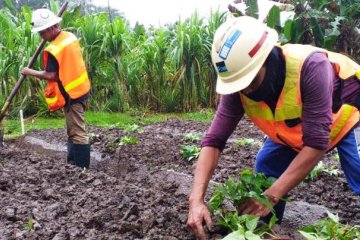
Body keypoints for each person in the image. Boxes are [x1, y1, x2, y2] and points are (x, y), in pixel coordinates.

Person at [187, 16, 360, 240]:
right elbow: (214, 139)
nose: (246, 90)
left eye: (249, 80)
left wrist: (271, 195)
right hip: (296, 130)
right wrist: (196, 200)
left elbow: (316, 144)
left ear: (265, 59)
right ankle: (268, 228)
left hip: (348, 116)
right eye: (239, 84)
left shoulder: (310, 67)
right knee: (268, 164)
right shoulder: (238, 87)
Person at [21, 8, 91, 169]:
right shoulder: (69, 37)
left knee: (78, 133)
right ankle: (73, 165)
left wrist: (29, 71)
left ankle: (82, 171)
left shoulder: (55, 49)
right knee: (72, 131)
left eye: (41, 33)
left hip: (71, 94)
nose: (41, 37)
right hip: (80, 89)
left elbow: (51, 75)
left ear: (50, 29)